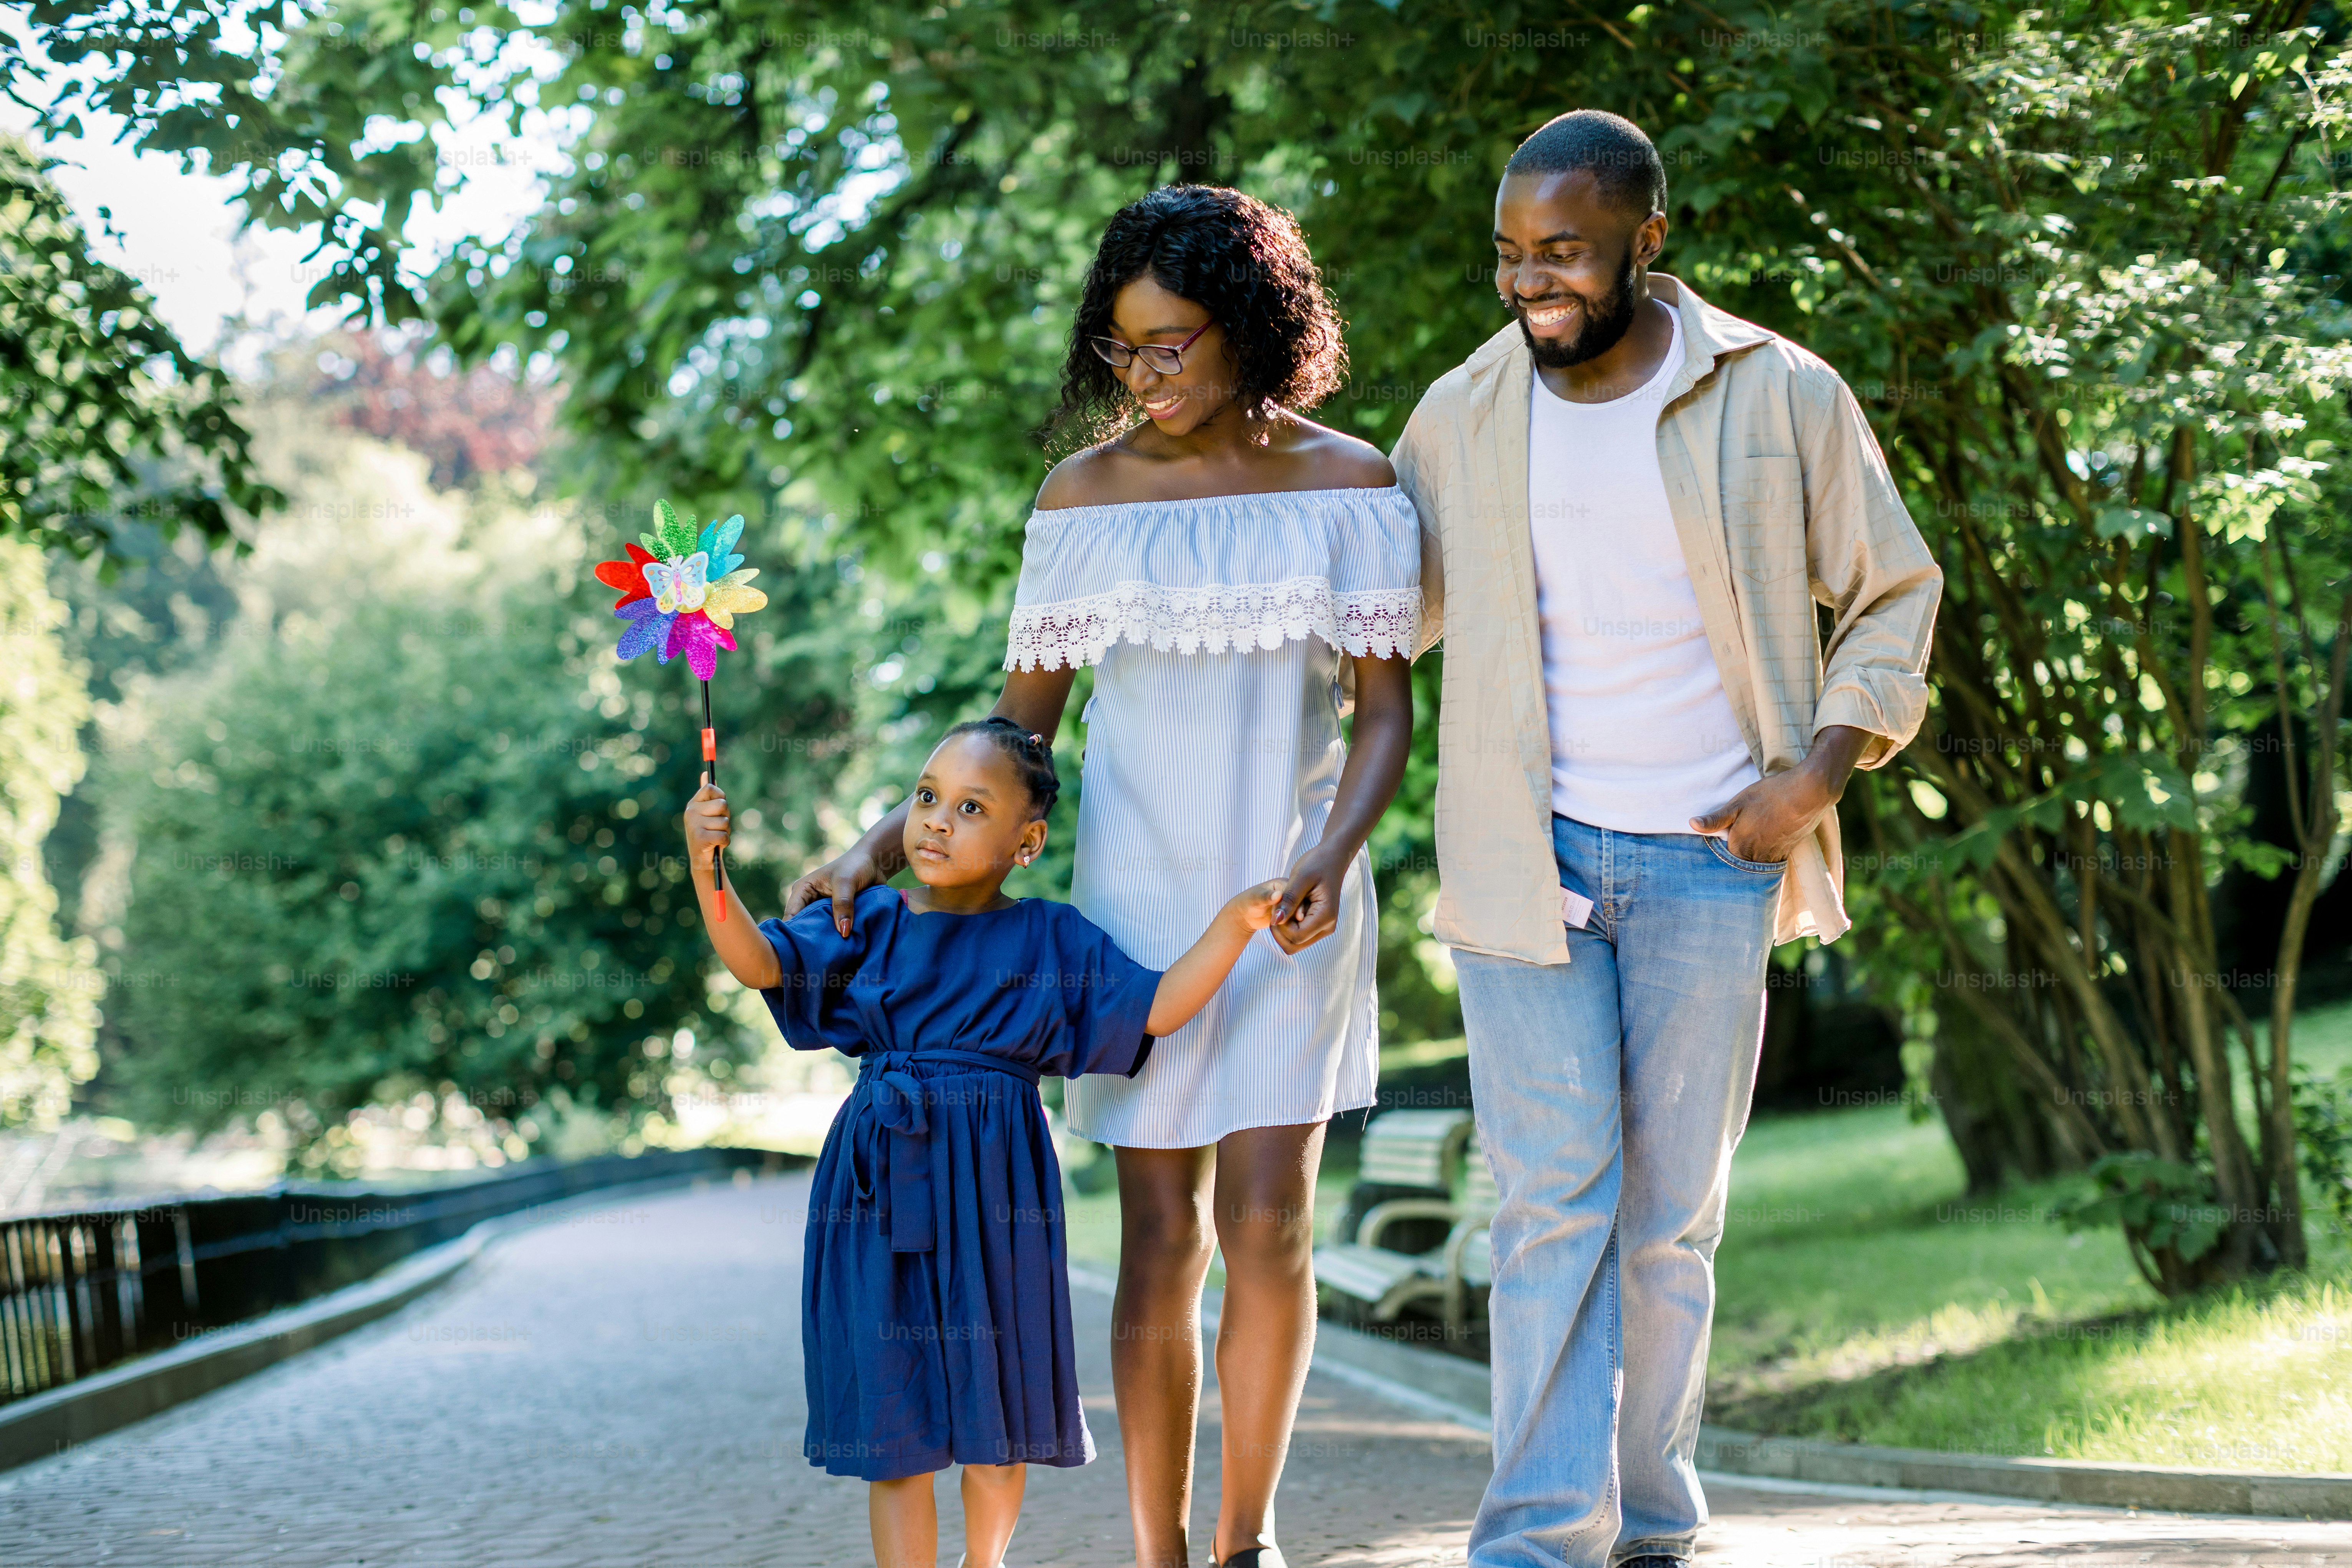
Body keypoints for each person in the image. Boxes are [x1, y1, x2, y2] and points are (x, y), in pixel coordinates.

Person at [787, 185, 1419, 1568]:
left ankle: (1245, 1541)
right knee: (1159, 1235)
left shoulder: (1354, 483)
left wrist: (1330, 853)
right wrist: (876, 846)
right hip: (1135, 913)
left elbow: (1385, 712)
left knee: (1269, 1224)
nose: (1149, 374)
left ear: (1252, 325)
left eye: (1176, 341)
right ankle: (1161, 1551)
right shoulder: (1083, 499)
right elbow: (1018, 732)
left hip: (1296, 898)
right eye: (1126, 349)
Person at [1392, 111, 1943, 1568]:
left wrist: (1813, 777)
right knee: (1548, 1203)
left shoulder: (1778, 394)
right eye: (1510, 255)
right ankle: (1534, 1540)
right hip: (1530, 859)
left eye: (1563, 252)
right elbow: (1378, 609)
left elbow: (1893, 591)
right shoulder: (1462, 411)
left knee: (1665, 1224)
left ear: (1648, 240)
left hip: (1716, 857)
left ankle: (1650, 1517)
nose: (1531, 283)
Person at [684, 716, 1286, 1568]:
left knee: (996, 1411)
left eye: (971, 807)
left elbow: (1153, 1006)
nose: (935, 820)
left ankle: (986, 1562)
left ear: (1026, 841)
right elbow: (757, 962)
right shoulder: (870, 920)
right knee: (895, 1427)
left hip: (998, 1190)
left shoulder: (1051, 938)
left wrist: (1234, 922)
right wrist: (707, 868)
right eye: (927, 797)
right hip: (879, 1185)